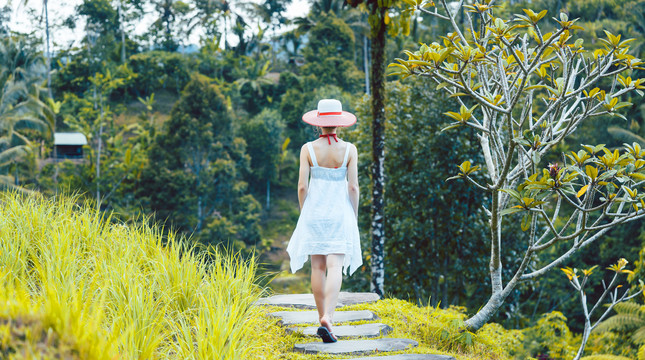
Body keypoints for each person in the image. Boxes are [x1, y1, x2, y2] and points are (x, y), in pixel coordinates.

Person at [286, 99, 362, 343]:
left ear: (319, 123)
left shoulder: (307, 149)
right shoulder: (350, 150)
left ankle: (322, 319)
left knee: (317, 267)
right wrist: (354, 215)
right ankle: (329, 317)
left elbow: (301, 187)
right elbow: (353, 187)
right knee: (335, 266)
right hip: (340, 213)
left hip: (314, 213)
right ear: (338, 124)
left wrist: (304, 213)